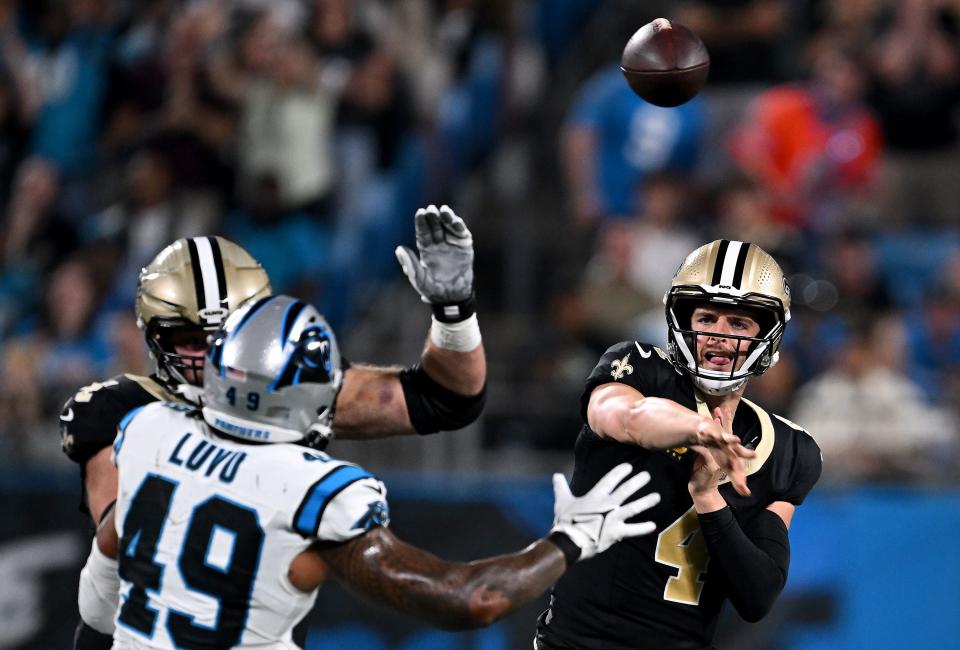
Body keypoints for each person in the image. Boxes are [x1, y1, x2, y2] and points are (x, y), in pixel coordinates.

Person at [79, 294, 662, 648]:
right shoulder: (314, 489)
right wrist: (571, 539)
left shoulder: (151, 432)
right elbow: (468, 599)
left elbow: (99, 599)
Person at [65, 205, 488, 648]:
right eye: (191, 339)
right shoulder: (123, 412)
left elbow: (445, 399)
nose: (212, 353)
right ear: (154, 337)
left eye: (226, 333)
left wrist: (454, 312)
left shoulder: (286, 387)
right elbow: (129, 549)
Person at [535, 239, 823, 649]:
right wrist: (699, 429)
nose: (719, 337)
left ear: (768, 334)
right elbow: (625, 416)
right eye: (707, 318)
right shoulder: (639, 368)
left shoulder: (789, 449)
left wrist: (709, 499)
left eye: (739, 324)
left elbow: (757, 595)